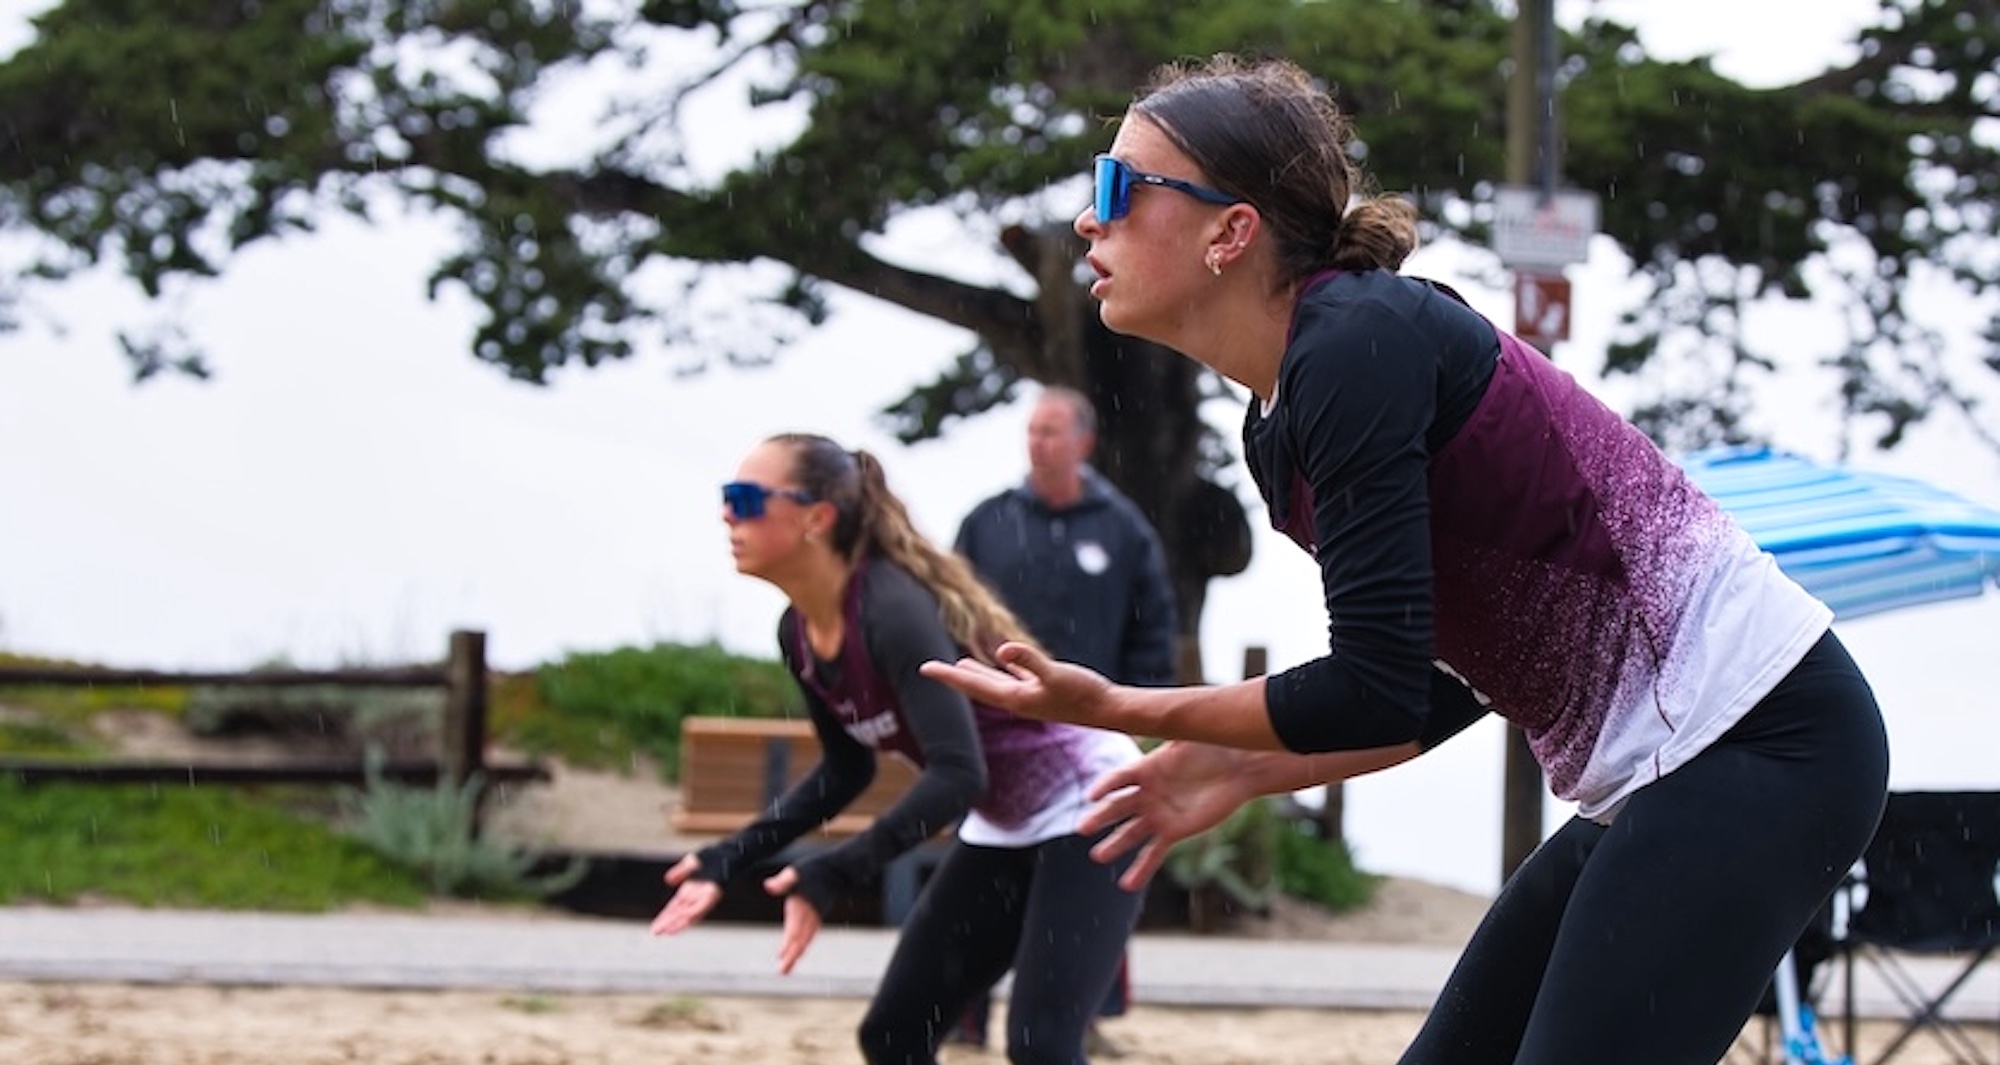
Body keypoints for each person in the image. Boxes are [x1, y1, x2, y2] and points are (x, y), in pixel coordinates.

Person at [920, 54, 1890, 1065]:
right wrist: (1245, 769)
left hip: (1764, 741)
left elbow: (1372, 688)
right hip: (1663, 771)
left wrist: (1118, 708)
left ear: (1229, 230)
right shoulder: (1279, 418)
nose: (1088, 218)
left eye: (1118, 186)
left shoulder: (1355, 345)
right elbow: (1436, 684)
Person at [650, 432, 1145, 1065]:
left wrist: (835, 870)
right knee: (893, 1035)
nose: (726, 514)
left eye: (744, 499)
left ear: (816, 518)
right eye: (728, 497)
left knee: (1040, 1046)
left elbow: (958, 773)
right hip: (1006, 821)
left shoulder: (890, 609)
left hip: (1095, 799)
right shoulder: (799, 631)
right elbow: (845, 769)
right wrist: (726, 857)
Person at [946, 385, 1179, 1051]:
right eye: (1031, 431)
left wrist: (1139, 709)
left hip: (1092, 736)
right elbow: (952, 614)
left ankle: (1082, 1012)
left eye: (1051, 431)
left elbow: (1152, 627)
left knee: (1091, 869)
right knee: (990, 871)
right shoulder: (989, 521)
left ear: (1083, 441)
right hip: (1001, 730)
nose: (1038, 443)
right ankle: (965, 1012)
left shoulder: (1123, 528)